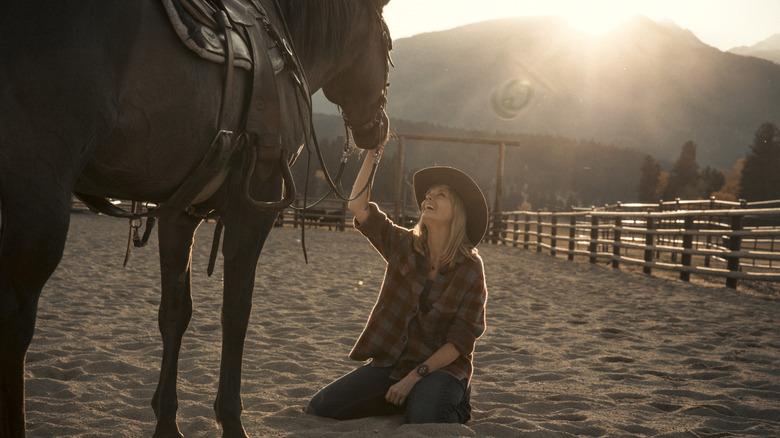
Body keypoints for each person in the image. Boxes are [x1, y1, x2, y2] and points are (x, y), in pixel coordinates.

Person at [305, 147, 489, 424]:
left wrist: (414, 377)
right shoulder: (403, 244)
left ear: (458, 212)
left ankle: (456, 401)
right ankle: (405, 399)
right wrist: (372, 152)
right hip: (392, 365)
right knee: (320, 407)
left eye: (441, 194)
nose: (428, 197)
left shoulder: (471, 267)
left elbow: (460, 341)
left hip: (441, 369)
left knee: (425, 416)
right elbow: (358, 207)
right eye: (428, 194)